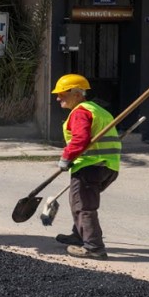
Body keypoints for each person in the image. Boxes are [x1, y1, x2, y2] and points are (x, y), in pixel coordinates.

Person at [51, 74, 121, 260]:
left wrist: (66, 157)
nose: (58, 98)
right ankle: (78, 236)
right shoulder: (98, 110)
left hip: (90, 166)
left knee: (84, 206)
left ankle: (94, 247)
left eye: (62, 94)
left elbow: (80, 139)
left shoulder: (81, 112)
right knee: (80, 202)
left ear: (76, 93)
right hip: (109, 167)